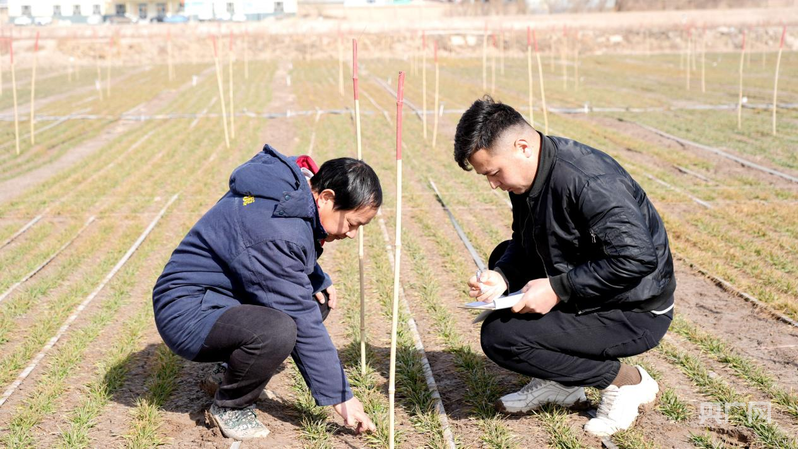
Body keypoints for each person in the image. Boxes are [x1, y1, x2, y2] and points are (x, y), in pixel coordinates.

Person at [454, 97, 675, 437]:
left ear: (523, 147)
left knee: (502, 338)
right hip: (597, 288)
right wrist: (502, 276)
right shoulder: (531, 177)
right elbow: (524, 241)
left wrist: (559, 288)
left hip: (636, 309)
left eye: (494, 172)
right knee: (502, 256)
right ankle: (561, 382)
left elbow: (636, 258)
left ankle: (626, 382)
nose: (493, 184)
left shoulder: (588, 181)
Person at [153, 145, 380, 440]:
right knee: (278, 330)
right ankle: (230, 406)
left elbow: (280, 257)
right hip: (186, 311)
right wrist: (342, 397)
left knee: (314, 298)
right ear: (326, 197)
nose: (351, 234)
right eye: (352, 223)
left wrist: (316, 277)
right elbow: (298, 310)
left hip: (218, 295)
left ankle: (228, 373)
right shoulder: (274, 226)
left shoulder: (291, 195)